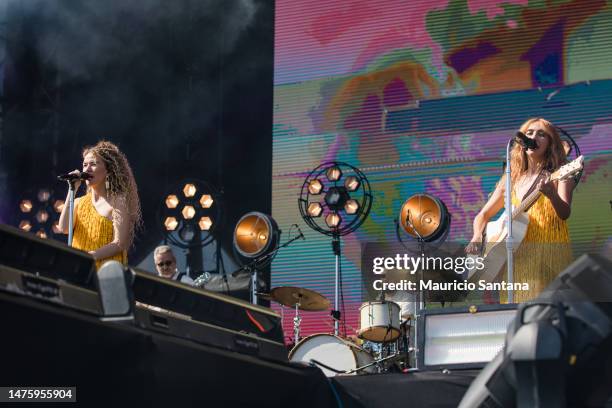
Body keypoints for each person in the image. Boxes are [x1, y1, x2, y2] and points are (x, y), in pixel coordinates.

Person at [466, 118, 576, 302]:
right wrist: (477, 238)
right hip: (516, 258)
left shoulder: (561, 171)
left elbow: (565, 213)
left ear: (550, 143)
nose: (535, 137)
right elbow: (483, 215)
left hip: (548, 250)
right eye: (530, 133)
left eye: (542, 134)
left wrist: (552, 195)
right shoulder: (512, 177)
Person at [59, 141, 142, 270]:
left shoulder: (118, 202)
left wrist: (87, 257)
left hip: (107, 273)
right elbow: (63, 228)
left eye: (93, 164)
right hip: (80, 270)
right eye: (85, 165)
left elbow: (119, 243)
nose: (87, 169)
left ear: (108, 171)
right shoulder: (78, 202)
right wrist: (72, 191)